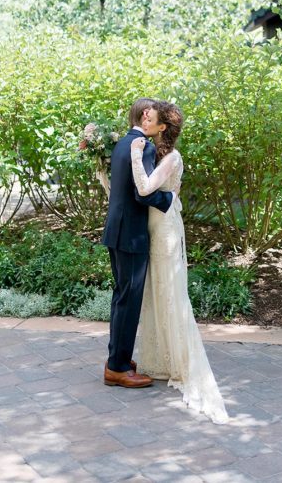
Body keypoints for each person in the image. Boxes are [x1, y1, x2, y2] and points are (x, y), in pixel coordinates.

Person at [131, 100, 229, 424]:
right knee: (156, 293)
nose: (146, 119)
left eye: (152, 118)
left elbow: (145, 187)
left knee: (171, 293)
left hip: (167, 233)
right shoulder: (157, 153)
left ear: (162, 128)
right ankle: (160, 358)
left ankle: (179, 363)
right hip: (154, 229)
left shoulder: (172, 157)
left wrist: (133, 151)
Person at [101, 98, 173, 388]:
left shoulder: (121, 143)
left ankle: (116, 358)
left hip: (115, 231)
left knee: (121, 296)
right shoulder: (145, 146)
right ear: (147, 118)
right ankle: (117, 368)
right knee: (129, 301)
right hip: (132, 235)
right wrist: (169, 199)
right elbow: (142, 193)